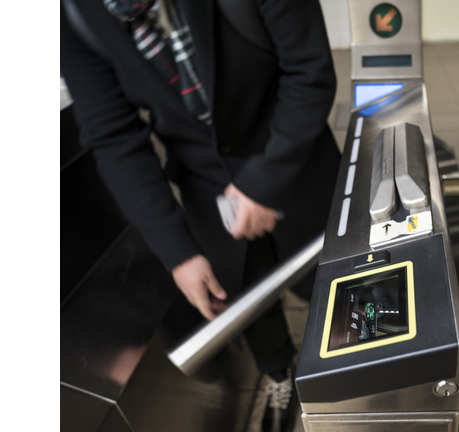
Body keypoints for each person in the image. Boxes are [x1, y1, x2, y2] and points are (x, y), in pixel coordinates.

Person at [60, 0, 340, 430]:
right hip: (205, 183)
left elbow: (309, 68)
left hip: (294, 156)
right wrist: (177, 252)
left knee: (337, 292)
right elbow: (114, 137)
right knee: (246, 297)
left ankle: (346, 378)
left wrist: (265, 181)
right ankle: (279, 374)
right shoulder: (73, 15)